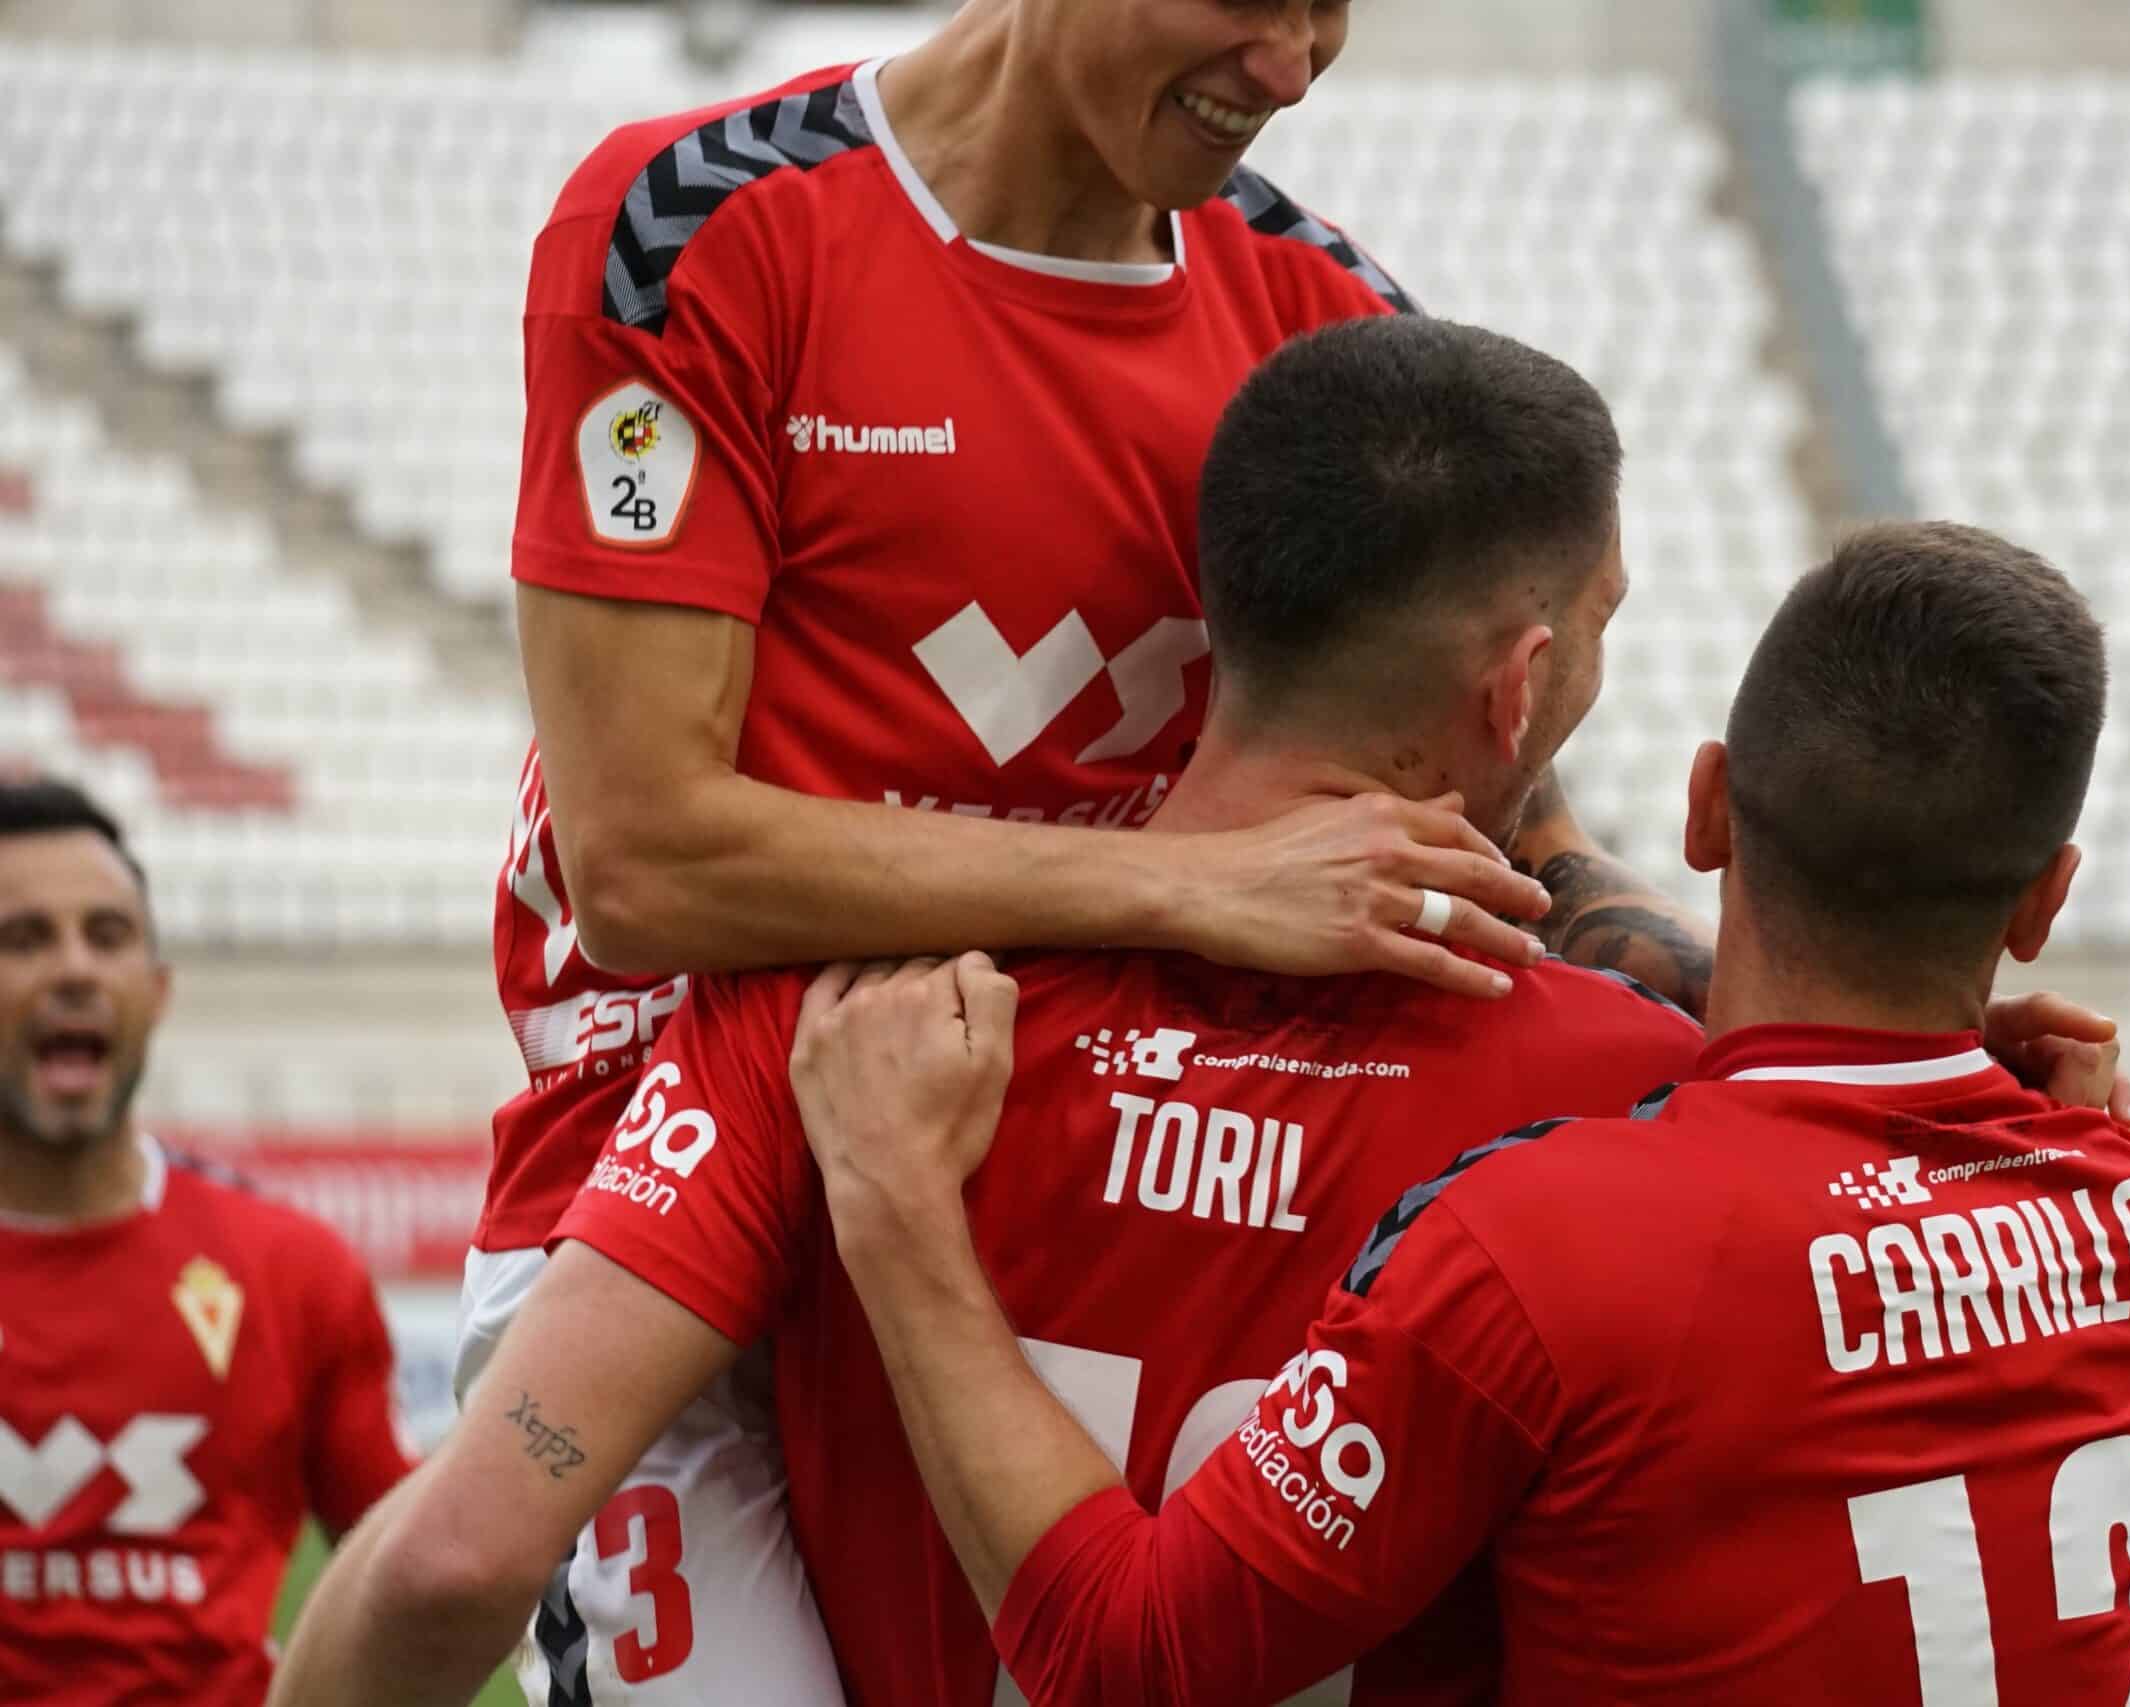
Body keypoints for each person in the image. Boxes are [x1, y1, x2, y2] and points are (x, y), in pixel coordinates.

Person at [474, 2, 1707, 1694]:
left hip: (1052, 1197)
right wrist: (1182, 884)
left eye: (1328, 10)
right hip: (676, 1209)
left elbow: (1507, 809)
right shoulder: (700, 225)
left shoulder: (1322, 316)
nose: (1289, 68)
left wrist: (1832, 1035)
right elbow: (639, 871)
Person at [791, 521, 2130, 1704]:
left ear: (1707, 808)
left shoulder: (1535, 1241)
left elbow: (1128, 1653)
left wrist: (898, 1206)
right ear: (2044, 899)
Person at [0, 779, 411, 1706]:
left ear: (157, 989)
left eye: (106, 937)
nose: (74, 970)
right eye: (23, 939)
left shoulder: (288, 1269)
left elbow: (410, 1581)